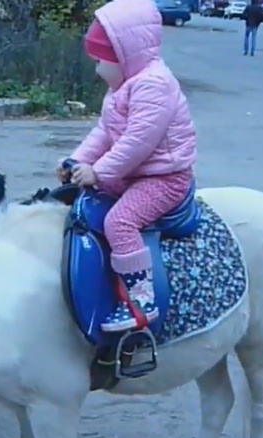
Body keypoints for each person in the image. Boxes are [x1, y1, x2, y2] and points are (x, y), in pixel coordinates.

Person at [61, 0, 197, 333]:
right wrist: (80, 160)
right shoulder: (122, 86)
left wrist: (99, 171)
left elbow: (138, 141)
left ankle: (140, 299)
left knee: (119, 222)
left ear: (125, 55)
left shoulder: (154, 85)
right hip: (136, 174)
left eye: (100, 61)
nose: (96, 70)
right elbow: (105, 132)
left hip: (164, 177)